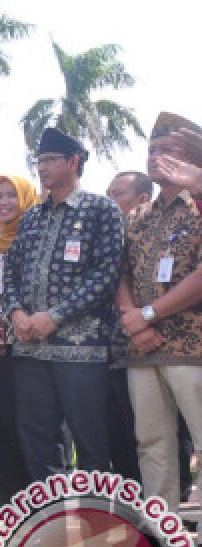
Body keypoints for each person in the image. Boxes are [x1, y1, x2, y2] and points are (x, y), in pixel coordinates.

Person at [2, 128, 124, 482]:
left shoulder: (102, 210)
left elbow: (106, 276)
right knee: (36, 439)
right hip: (30, 348)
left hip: (81, 350)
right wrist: (17, 314)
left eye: (51, 160)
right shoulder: (31, 218)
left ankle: (95, 524)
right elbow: (10, 276)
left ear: (74, 161)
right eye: (39, 161)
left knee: (90, 440)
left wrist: (54, 316)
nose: (42, 167)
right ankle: (50, 522)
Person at [116, 112, 202, 522]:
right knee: (151, 441)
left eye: (167, 151)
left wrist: (148, 314)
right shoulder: (139, 216)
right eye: (152, 151)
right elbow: (121, 273)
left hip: (192, 346)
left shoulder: (199, 207)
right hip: (143, 348)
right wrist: (133, 320)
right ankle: (162, 527)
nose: (157, 158)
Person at [0, 173, 38, 514]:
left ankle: (40, 508)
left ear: (26, 200)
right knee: (1, 429)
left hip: (32, 347)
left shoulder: (35, 243)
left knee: (33, 430)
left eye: (11, 196)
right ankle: (9, 509)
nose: (3, 202)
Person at [102, 172, 155, 483]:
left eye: (118, 194)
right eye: (107, 193)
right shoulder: (106, 237)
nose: (109, 201)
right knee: (117, 432)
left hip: (150, 348)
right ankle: (129, 500)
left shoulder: (149, 238)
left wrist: (140, 323)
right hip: (111, 354)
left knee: (154, 436)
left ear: (142, 199)